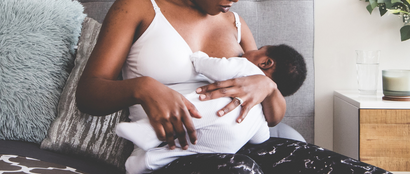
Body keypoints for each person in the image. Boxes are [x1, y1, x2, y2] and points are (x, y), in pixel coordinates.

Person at [76, 0, 391, 174]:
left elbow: (273, 116)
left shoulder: (235, 24)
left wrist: (267, 87)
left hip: (244, 146)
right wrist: (142, 88)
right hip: (175, 155)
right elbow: (88, 94)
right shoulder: (139, 4)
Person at [116, 45, 307, 173]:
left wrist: (200, 59)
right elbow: (261, 137)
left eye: (258, 49)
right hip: (224, 146)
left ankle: (148, 131)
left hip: (208, 117)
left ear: (265, 63)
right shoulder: (259, 107)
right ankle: (144, 162)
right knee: (185, 151)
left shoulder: (246, 68)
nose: (249, 50)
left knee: (204, 100)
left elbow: (219, 69)